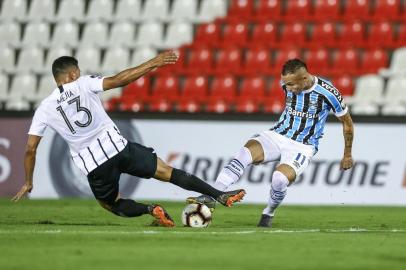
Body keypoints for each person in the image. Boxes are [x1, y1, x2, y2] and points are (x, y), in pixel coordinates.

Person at [12, 52, 246, 227]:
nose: (80, 75)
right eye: (78, 72)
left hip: (94, 164)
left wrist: (28, 181)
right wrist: (153, 63)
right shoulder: (82, 84)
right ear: (72, 74)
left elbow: (31, 149)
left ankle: (150, 209)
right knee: (166, 171)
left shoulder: (44, 108)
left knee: (110, 203)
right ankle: (220, 195)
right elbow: (118, 80)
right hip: (119, 148)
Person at [187, 58, 354, 227]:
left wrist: (347, 154)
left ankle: (269, 212)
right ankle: (213, 195)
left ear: (304, 78)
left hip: (302, 146)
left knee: (279, 180)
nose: (287, 88)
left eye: (291, 85)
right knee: (245, 153)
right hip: (277, 134)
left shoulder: (329, 93)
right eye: (285, 84)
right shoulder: (287, 84)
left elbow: (347, 123)